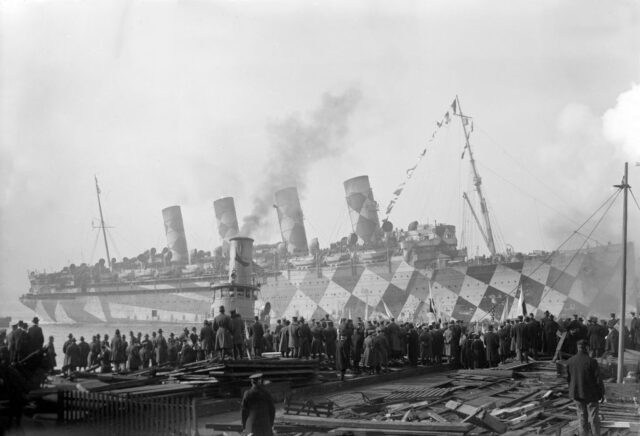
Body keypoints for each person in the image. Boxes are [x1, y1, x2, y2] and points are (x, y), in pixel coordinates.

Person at [566, 339, 604, 436]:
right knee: (594, 419)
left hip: (577, 393)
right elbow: (598, 380)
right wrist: (601, 393)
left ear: (577, 348)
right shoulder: (592, 362)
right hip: (592, 394)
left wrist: (572, 392)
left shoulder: (570, 361)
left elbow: (569, 379)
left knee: (582, 418)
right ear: (587, 348)